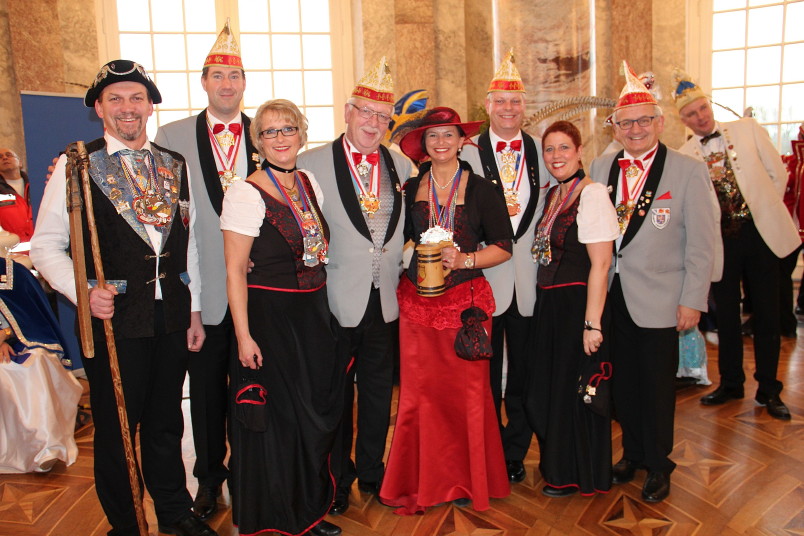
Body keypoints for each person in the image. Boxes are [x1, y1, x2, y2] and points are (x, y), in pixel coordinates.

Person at [30, 60, 216, 536]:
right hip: (113, 319)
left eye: (137, 98)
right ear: (99, 108)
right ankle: (126, 523)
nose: (127, 107)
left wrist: (194, 310)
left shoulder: (175, 164)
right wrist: (83, 293)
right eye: (115, 98)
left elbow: (189, 245)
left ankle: (174, 511)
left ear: (151, 106)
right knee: (117, 429)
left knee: (166, 421)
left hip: (172, 314)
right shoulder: (76, 165)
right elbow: (45, 246)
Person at [589, 61, 717, 504]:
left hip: (663, 299)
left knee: (658, 388)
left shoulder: (688, 170)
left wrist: (693, 300)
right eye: (626, 123)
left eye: (644, 120)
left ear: (660, 123)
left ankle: (659, 464)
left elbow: (702, 243)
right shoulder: (601, 168)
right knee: (622, 383)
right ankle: (633, 453)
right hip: (613, 296)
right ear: (615, 128)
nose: (636, 129)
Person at [379, 107, 512, 514]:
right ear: (424, 143)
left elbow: (504, 247)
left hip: (466, 306)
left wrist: (466, 259)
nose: (441, 142)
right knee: (419, 396)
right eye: (433, 135)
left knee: (467, 396)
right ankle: (421, 481)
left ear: (462, 141)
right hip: (417, 306)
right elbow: (395, 237)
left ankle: (468, 480)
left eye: (449, 135)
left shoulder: (483, 190)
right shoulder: (409, 188)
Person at [221, 99, 345, 536]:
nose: (280, 138)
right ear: (257, 141)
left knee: (310, 418)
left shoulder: (308, 182)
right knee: (280, 421)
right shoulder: (244, 193)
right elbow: (235, 269)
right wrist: (243, 337)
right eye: (270, 131)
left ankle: (308, 511)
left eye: (288, 128)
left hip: (311, 315)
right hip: (270, 321)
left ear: (301, 135)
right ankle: (278, 517)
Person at [296, 57, 411, 515]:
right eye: (366, 112)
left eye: (383, 116)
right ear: (347, 111)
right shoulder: (309, 164)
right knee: (336, 397)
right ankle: (338, 478)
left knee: (379, 393)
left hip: (385, 301)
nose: (373, 122)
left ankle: (373, 472)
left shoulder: (402, 165)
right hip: (334, 300)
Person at [155, 20, 260, 519]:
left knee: (254, 390)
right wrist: (190, 301)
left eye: (234, 75)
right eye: (217, 75)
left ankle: (250, 475)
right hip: (203, 292)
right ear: (203, 82)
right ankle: (209, 480)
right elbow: (164, 222)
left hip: (258, 291)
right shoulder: (171, 136)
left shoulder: (268, 134)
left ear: (244, 83)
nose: (226, 84)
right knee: (205, 394)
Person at [673, 69, 799, 420]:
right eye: (691, 114)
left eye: (702, 108)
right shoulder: (685, 154)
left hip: (760, 236)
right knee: (726, 315)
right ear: (683, 120)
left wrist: (760, 211)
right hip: (719, 243)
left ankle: (769, 389)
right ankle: (731, 383)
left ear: (709, 105)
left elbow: (778, 174)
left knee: (767, 314)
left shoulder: (747, 129)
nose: (700, 117)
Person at [460, 49, 551, 484]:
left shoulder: (542, 150)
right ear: (488, 105)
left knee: (526, 374)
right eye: (501, 101)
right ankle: (487, 449)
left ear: (524, 106)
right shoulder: (467, 153)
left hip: (530, 280)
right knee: (484, 372)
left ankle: (515, 449)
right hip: (483, 279)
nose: (508, 108)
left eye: (516, 101)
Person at [524, 120, 619, 497]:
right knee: (547, 392)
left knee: (574, 392)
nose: (556, 155)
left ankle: (575, 475)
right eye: (549, 149)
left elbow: (601, 264)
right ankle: (558, 468)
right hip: (550, 306)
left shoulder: (592, 194)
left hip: (578, 307)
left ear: (580, 152)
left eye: (564, 147)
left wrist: (592, 324)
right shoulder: (554, 195)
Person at [0, 245, 82, 474]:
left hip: (15, 342)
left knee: (29, 366)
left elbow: (28, 319)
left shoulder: (12, 274)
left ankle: (44, 449)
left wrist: (5, 336)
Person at [0, 147, 34, 242]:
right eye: (0, 157)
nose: (5, 158)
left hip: (42, 247)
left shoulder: (37, 185)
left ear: (20, 163)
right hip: (11, 250)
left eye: (9, 155)